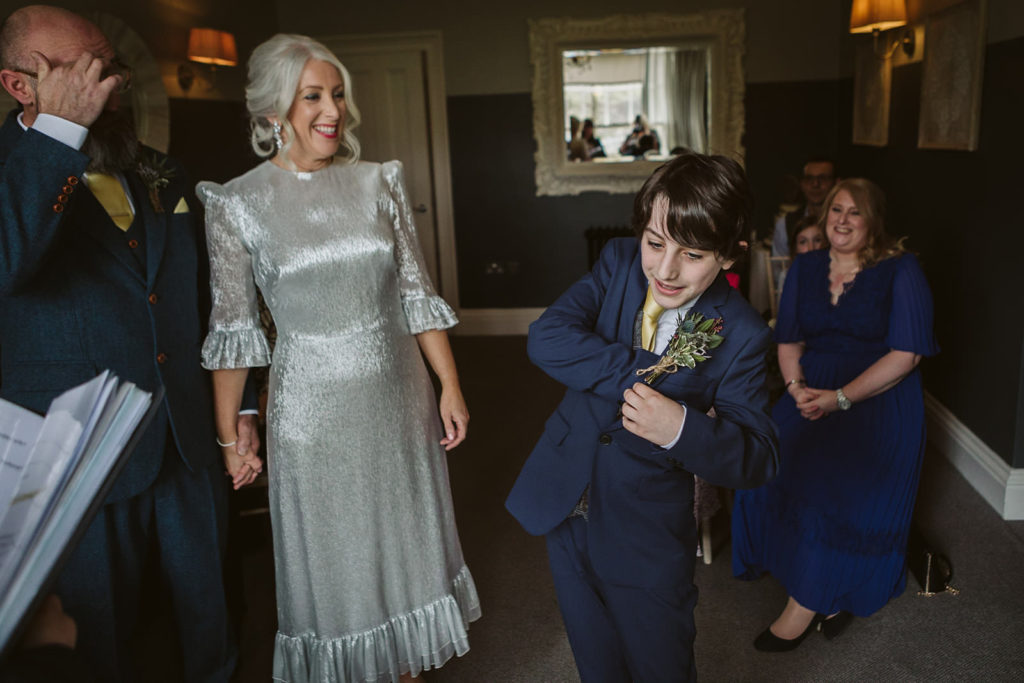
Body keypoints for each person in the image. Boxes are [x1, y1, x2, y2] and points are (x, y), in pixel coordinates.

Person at [196, 34, 480, 682]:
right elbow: (234, 329)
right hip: (312, 415)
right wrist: (228, 437)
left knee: (407, 555)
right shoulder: (236, 202)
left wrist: (450, 383)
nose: (333, 110)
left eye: (338, 93)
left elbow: (416, 292)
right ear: (274, 112)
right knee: (340, 566)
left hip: (399, 398)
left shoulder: (380, 181)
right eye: (313, 96)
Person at [0, 6, 258, 681]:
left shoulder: (161, 172)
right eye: (76, 71)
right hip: (74, 453)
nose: (105, 83)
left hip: (186, 431)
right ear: (18, 85)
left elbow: (208, 302)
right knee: (95, 632)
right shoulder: (8, 178)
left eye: (106, 65)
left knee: (212, 612)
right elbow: (8, 260)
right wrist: (61, 131)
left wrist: (243, 410)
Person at [506, 152, 780, 681]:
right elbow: (548, 339)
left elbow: (759, 458)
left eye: (693, 254)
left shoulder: (743, 332)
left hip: (646, 527)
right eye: (655, 244)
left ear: (729, 256)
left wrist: (679, 426)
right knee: (595, 660)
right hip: (566, 499)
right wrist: (645, 373)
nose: (665, 269)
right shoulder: (617, 262)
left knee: (661, 665)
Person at [731, 178, 939, 651]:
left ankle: (807, 598)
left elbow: (907, 356)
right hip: (809, 388)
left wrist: (840, 398)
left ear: (874, 221)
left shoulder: (903, 271)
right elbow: (788, 339)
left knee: (833, 480)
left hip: (878, 396)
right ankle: (796, 563)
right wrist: (796, 388)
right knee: (764, 459)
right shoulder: (805, 267)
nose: (842, 220)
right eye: (835, 210)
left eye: (855, 212)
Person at [771, 156, 836, 256]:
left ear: (836, 182)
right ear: (802, 184)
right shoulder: (785, 224)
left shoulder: (844, 223)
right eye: (809, 179)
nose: (815, 184)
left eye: (822, 178)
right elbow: (779, 268)